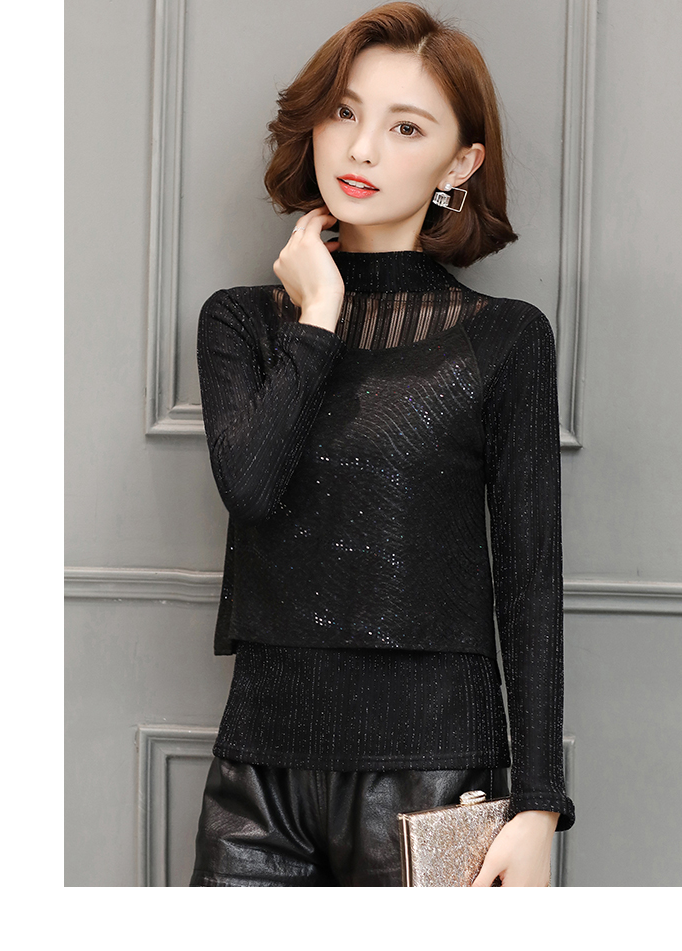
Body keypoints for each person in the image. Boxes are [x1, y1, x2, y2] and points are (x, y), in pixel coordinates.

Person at [189, 0, 574, 888]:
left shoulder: (505, 339)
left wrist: (539, 802)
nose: (360, 149)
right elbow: (251, 485)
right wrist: (319, 315)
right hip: (256, 781)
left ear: (460, 163)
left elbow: (530, 578)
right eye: (345, 111)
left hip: (436, 781)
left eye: (406, 127)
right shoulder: (242, 324)